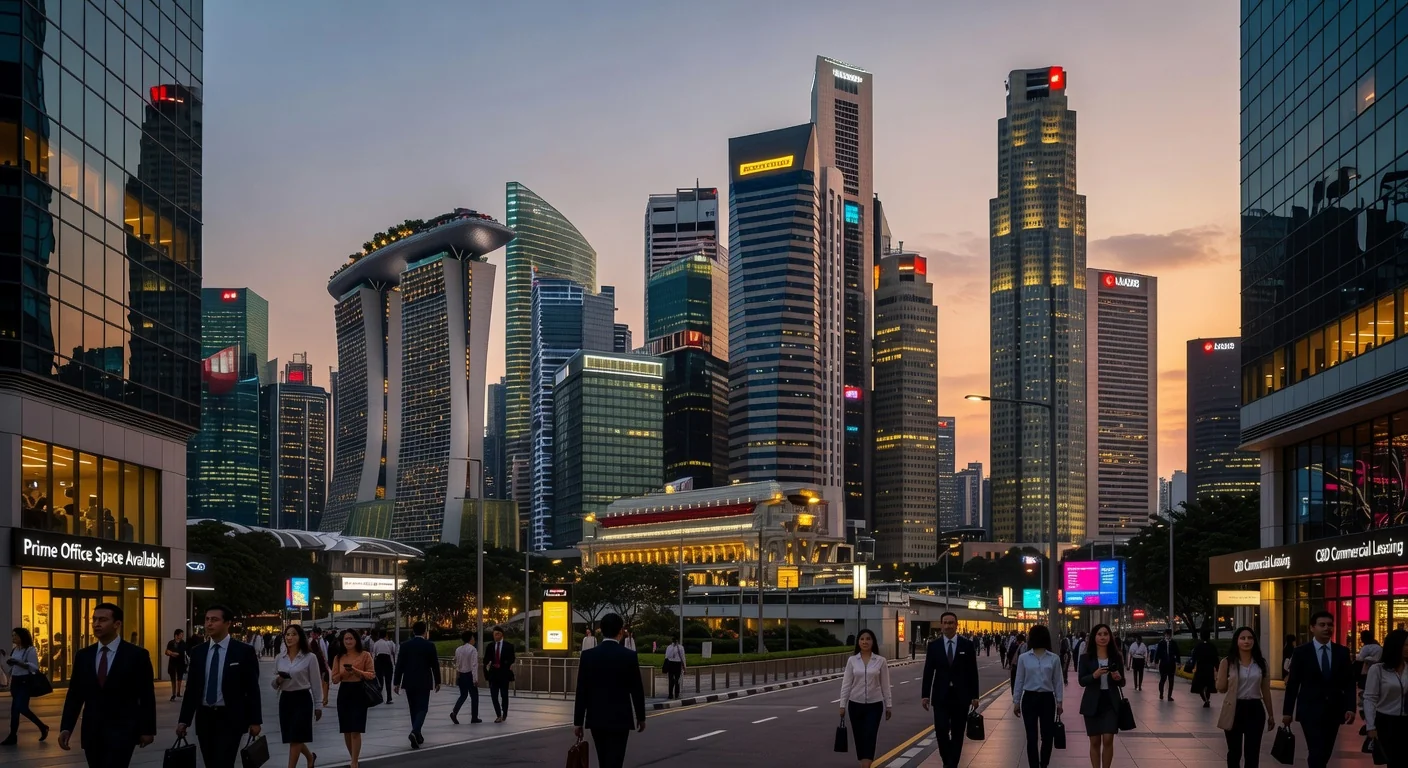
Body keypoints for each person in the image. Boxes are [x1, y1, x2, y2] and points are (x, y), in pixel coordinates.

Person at [57, 603, 155, 768]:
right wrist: (66, 727)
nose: (96, 624)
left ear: (117, 624)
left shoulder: (137, 655)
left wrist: (147, 729)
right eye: (94, 620)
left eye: (102, 620)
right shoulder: (83, 656)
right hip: (92, 731)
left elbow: (146, 695)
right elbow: (75, 695)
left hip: (122, 731)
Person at [176, 606, 263, 768]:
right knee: (210, 762)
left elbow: (252, 688)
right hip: (205, 718)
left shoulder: (243, 651)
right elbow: (192, 689)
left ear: (228, 623)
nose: (209, 624)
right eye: (207, 619)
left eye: (214, 620)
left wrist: (255, 721)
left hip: (230, 719)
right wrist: (184, 720)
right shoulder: (198, 652)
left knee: (223, 762)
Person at [1283, 610, 1356, 768]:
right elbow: (1293, 683)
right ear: (1312, 628)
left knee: (1326, 751)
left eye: (1330, 625)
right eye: (1322, 625)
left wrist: (1351, 707)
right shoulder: (1301, 652)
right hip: (1309, 710)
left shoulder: (1342, 652)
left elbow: (1349, 682)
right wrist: (1287, 712)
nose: (1327, 628)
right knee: (1316, 750)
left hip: (1334, 710)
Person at [572, 612, 646, 768]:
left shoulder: (588, 656)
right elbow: (636, 689)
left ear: (601, 630)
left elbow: (582, 690)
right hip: (621, 718)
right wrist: (641, 716)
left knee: (603, 759)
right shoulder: (629, 656)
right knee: (616, 760)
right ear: (620, 631)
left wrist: (578, 721)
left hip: (596, 717)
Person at [921, 612, 980, 768]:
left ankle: (951, 764)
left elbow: (972, 672)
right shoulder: (934, 646)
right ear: (941, 625)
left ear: (956, 624)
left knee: (958, 733)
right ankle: (947, 761)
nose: (948, 626)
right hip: (940, 697)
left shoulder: (966, 645)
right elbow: (928, 672)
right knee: (941, 732)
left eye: (951, 622)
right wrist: (925, 695)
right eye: (945, 623)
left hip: (961, 697)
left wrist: (975, 695)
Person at [1216, 626, 1274, 768]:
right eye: (1242, 638)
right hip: (1235, 708)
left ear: (1254, 641)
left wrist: (1271, 714)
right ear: (1236, 641)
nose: (1246, 641)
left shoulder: (1261, 663)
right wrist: (1220, 678)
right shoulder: (1227, 662)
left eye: (1250, 638)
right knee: (1234, 752)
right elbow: (1221, 688)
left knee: (1252, 753)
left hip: (1255, 709)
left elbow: (1266, 690)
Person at [839, 629, 893, 768]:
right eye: (862, 639)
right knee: (859, 736)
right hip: (855, 704)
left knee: (870, 734)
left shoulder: (880, 661)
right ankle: (863, 762)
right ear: (858, 642)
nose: (865, 642)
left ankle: (866, 765)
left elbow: (885, 685)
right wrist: (842, 705)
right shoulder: (852, 660)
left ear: (873, 641)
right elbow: (846, 684)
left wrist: (888, 704)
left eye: (868, 639)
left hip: (874, 705)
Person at [1012, 624, 1063, 768]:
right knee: (1031, 737)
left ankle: (1044, 764)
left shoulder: (1054, 658)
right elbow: (1019, 680)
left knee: (1047, 737)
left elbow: (1057, 681)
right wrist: (1016, 701)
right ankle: (1034, 765)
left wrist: (1059, 702)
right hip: (1029, 698)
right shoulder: (1024, 658)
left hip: (1047, 699)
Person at [273, 625, 320, 768]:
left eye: (293, 634)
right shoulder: (280, 658)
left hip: (302, 699)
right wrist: (279, 680)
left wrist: (318, 705)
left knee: (297, 736)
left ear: (300, 637)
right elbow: (274, 684)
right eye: (287, 634)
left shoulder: (310, 657)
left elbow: (316, 682)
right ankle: (310, 757)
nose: (289, 637)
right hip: (286, 699)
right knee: (293, 736)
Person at [1079, 624, 1125, 768]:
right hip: (1092, 702)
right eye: (1099, 634)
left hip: (1110, 701)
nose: (1103, 637)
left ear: (1110, 636)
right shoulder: (1086, 658)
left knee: (1108, 738)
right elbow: (1081, 680)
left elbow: (1122, 682)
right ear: (1094, 637)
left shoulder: (1116, 657)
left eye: (1106, 634)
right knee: (1094, 741)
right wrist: (1094, 675)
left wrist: (1118, 678)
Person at [329, 629, 375, 768]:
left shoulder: (365, 655)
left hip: (359, 692)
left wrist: (356, 671)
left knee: (356, 729)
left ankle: (354, 762)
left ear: (356, 640)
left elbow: (371, 674)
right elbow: (335, 679)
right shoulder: (338, 657)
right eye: (346, 639)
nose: (348, 641)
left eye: (351, 639)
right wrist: (343, 673)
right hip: (344, 693)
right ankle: (353, 757)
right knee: (347, 730)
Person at [392, 621, 440, 749]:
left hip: (409, 681)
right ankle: (415, 732)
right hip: (424, 681)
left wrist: (396, 682)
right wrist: (438, 681)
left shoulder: (405, 645)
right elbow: (435, 665)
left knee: (413, 708)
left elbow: (399, 664)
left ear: (413, 631)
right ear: (425, 631)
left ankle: (417, 734)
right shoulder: (429, 645)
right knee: (423, 708)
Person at [1364, 628, 1408, 768]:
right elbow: (1370, 699)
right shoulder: (1378, 670)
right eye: (1406, 644)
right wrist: (1370, 726)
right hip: (1387, 722)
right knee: (1393, 761)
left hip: (1406, 720)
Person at [3, 627, 49, 745]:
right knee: (15, 710)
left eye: (15, 636)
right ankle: (12, 735)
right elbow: (13, 667)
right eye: (12, 635)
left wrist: (18, 663)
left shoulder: (30, 650)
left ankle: (42, 726)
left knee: (21, 707)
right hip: (16, 681)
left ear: (21, 637)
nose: (13, 638)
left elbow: (34, 667)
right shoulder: (15, 650)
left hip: (25, 681)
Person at [484, 627, 515, 723]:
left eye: (497, 634)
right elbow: (485, 660)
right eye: (494, 634)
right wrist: (488, 665)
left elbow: (512, 658)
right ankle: (498, 714)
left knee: (504, 694)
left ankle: (504, 712)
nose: (495, 636)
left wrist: (507, 664)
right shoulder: (490, 646)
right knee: (494, 695)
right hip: (493, 674)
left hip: (503, 673)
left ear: (501, 634)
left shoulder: (508, 646)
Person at [450, 631, 481, 725]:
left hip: (461, 674)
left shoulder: (458, 649)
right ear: (470, 639)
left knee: (463, 695)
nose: (474, 639)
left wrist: (458, 672)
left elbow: (457, 663)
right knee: (474, 696)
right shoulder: (473, 650)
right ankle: (474, 717)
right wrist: (475, 679)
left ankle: (454, 712)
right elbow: (474, 665)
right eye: (473, 638)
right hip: (469, 674)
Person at [1190, 630, 1219, 707]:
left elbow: (1194, 657)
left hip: (1200, 668)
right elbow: (1216, 658)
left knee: (1200, 686)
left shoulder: (1198, 646)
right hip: (1209, 668)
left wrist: (1192, 667)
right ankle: (1207, 699)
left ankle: (1205, 700)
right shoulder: (1212, 646)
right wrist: (1217, 668)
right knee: (1208, 685)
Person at [1359, 630, 1384, 716]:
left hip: (1366, 672)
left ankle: (1365, 708)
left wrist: (1367, 659)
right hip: (1377, 672)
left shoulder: (1366, 648)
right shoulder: (1379, 647)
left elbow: (1360, 658)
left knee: (1366, 690)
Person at [1152, 629, 1181, 701]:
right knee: (1163, 679)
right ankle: (1161, 693)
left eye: (1169, 634)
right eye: (1167, 634)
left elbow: (1177, 653)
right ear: (1165, 635)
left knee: (1171, 680)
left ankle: (1169, 696)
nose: (1168, 636)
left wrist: (1178, 662)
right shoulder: (1161, 643)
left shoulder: (1173, 643)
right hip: (1163, 664)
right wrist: (1156, 661)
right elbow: (1158, 653)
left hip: (1171, 664)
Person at [372, 629, 397, 705]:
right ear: (386, 635)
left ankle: (379, 698)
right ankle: (389, 698)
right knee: (388, 681)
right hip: (387, 661)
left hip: (379, 661)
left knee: (380, 681)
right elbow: (394, 652)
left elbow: (374, 654)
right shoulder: (390, 643)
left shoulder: (376, 643)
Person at [165, 629, 188, 702]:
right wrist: (172, 653)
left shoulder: (183, 643)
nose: (182, 636)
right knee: (173, 679)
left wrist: (171, 653)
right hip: (172, 663)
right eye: (181, 634)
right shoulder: (171, 642)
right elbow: (166, 651)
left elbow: (179, 654)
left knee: (179, 678)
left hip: (180, 663)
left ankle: (178, 692)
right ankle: (173, 693)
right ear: (176, 635)